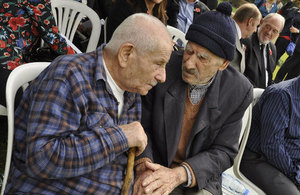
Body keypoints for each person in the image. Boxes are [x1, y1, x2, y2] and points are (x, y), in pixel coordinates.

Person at [4, 13, 174, 194]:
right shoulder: (67, 75)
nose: (162, 76)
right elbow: (42, 159)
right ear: (126, 54)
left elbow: (127, 147)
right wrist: (121, 136)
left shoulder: (131, 89)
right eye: (158, 64)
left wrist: (141, 168)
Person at [133, 2, 253, 195]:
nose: (188, 63)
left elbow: (224, 151)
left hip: (197, 177)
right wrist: (144, 165)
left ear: (223, 64)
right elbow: (140, 121)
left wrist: (179, 174)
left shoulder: (238, 91)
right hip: (155, 164)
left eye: (202, 58)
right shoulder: (165, 68)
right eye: (189, 50)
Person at [0, 0, 75, 107]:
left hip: (7, 62)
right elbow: (52, 36)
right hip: (6, 63)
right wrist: (81, 59)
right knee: (34, 111)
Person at [240, 76, 300, 195]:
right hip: (258, 159)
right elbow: (271, 146)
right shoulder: (281, 95)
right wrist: (296, 177)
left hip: (291, 164)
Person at [243, 13, 285, 89]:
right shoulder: (247, 40)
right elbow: (239, 72)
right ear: (261, 22)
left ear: (278, 34)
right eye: (268, 27)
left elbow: (269, 76)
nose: (269, 33)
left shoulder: (272, 48)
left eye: (274, 31)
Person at [231, 3, 262, 73]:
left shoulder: (234, 33)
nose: (255, 30)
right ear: (250, 22)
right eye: (256, 26)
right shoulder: (230, 36)